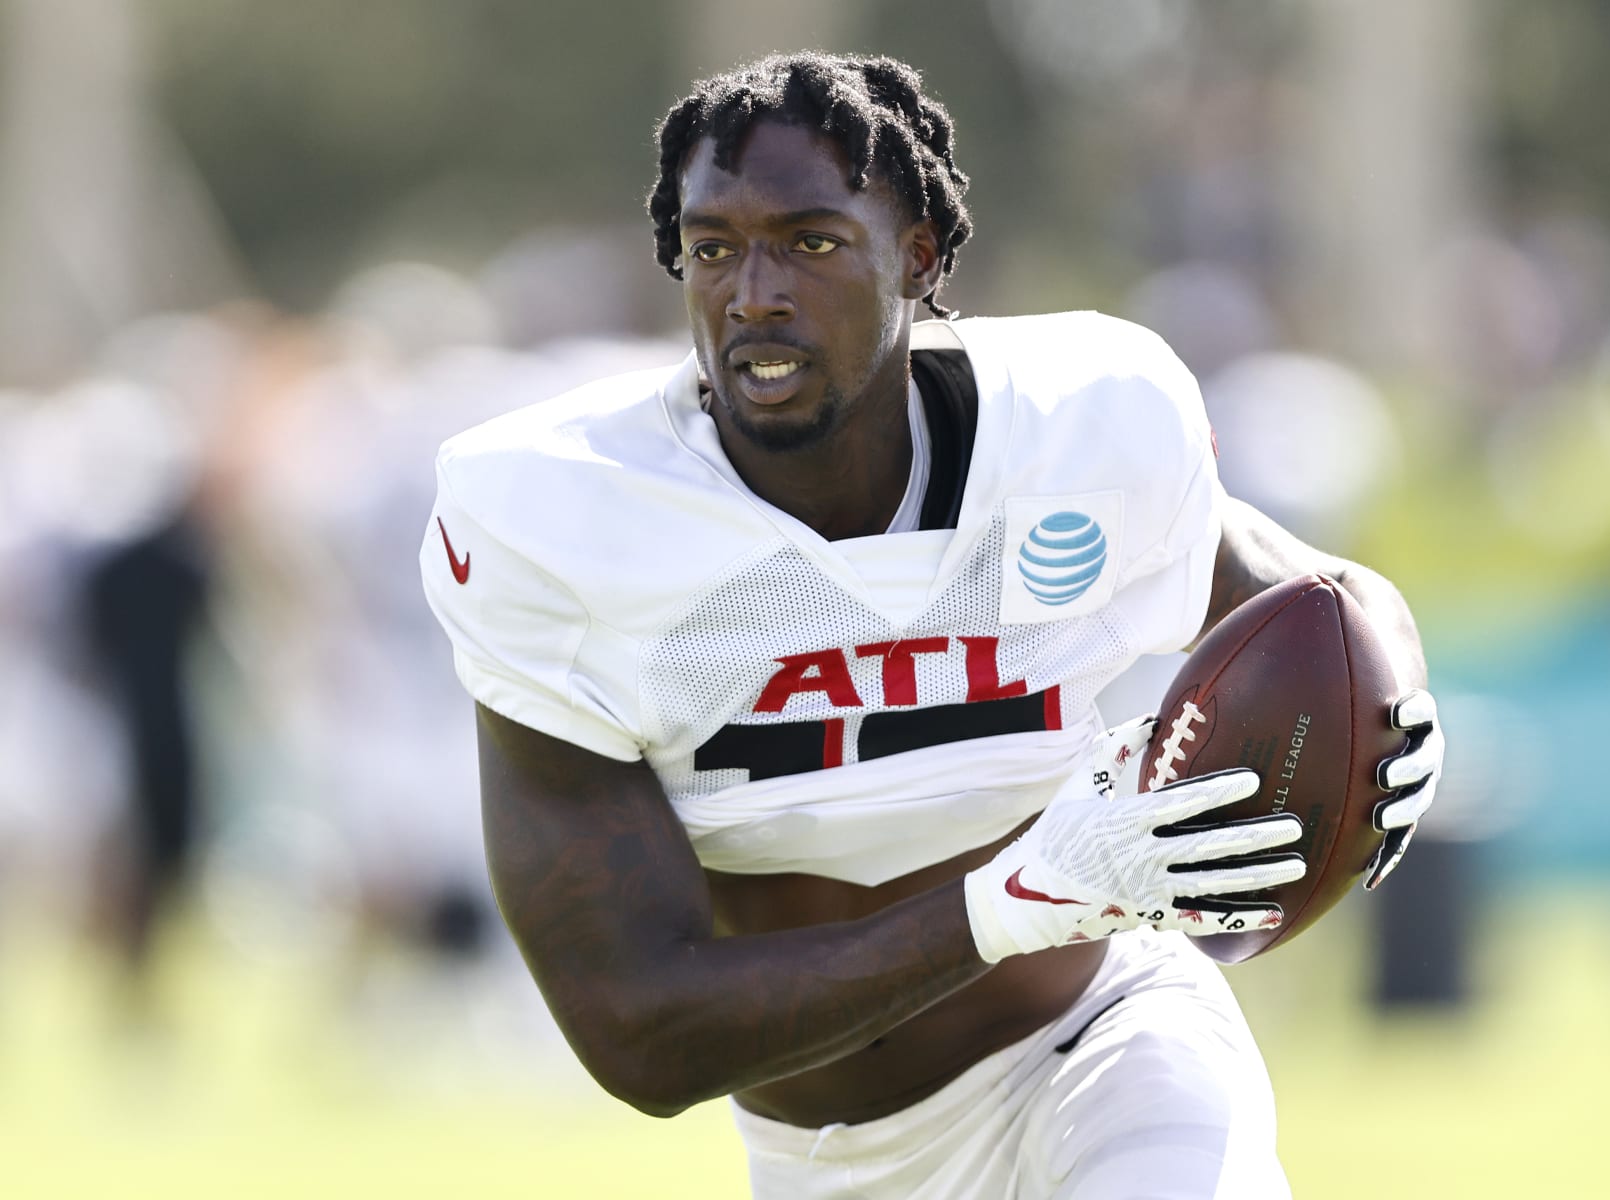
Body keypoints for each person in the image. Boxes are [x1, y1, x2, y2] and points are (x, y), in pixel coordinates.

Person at [420, 53, 1444, 1199]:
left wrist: (1393, 690)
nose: (754, 291)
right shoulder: (566, 521)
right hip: (829, 1156)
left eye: (809, 241)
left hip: (1100, 1041)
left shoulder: (1076, 427)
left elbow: (1320, 602)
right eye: (715, 248)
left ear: (918, 257)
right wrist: (1009, 901)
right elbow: (639, 1034)